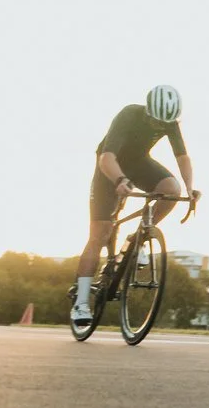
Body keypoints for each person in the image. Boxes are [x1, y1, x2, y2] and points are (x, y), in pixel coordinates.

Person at [75, 86, 194, 328]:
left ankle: (138, 237)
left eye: (166, 124)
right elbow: (106, 157)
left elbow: (182, 157)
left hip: (138, 163)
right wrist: (119, 179)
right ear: (148, 112)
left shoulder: (170, 122)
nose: (162, 127)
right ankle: (80, 301)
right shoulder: (129, 114)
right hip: (110, 166)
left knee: (172, 189)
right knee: (100, 234)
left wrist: (191, 189)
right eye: (158, 122)